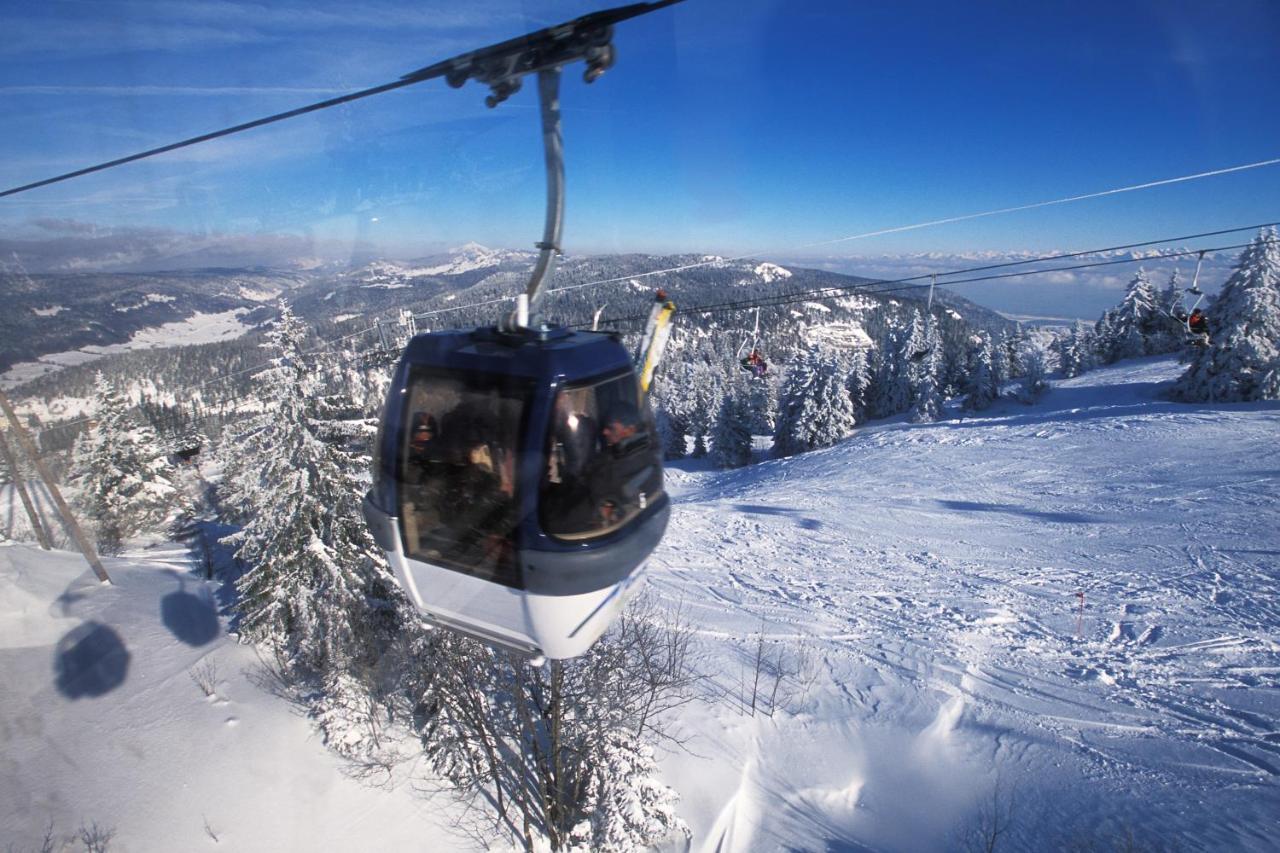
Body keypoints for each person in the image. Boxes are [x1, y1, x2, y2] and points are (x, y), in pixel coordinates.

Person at [587, 400, 657, 528]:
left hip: (613, 530)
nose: (605, 432)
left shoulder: (643, 460)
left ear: (630, 430)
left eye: (611, 428)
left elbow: (646, 510)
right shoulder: (614, 453)